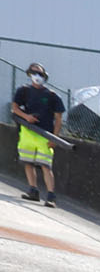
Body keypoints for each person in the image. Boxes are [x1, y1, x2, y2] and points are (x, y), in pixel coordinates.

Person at [11, 64, 65, 207]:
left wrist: (54, 137)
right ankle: (33, 190)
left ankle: (51, 196)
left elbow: (59, 118)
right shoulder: (23, 91)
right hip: (27, 132)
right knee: (28, 162)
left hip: (44, 135)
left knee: (46, 165)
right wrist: (26, 117)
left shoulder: (52, 95)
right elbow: (14, 108)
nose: (37, 76)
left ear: (45, 75)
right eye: (34, 72)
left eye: (40, 73)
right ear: (29, 74)